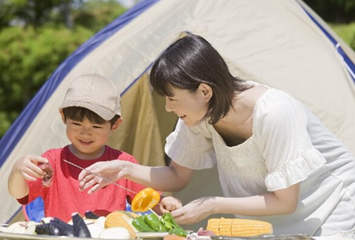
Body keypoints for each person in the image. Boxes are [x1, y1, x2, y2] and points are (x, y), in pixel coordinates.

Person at [78, 35, 355, 237]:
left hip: (331, 209)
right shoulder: (199, 116)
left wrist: (212, 205)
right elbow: (177, 177)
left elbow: (286, 201)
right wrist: (124, 169)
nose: (168, 107)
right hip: (274, 223)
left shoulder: (275, 112)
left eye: (172, 98)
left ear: (204, 91)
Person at [8, 73, 181, 222]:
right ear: (63, 117)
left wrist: (165, 204)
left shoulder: (122, 164)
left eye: (96, 127)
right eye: (76, 123)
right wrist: (17, 170)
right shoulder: (52, 161)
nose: (85, 133)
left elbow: (149, 201)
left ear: (115, 124)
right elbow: (20, 195)